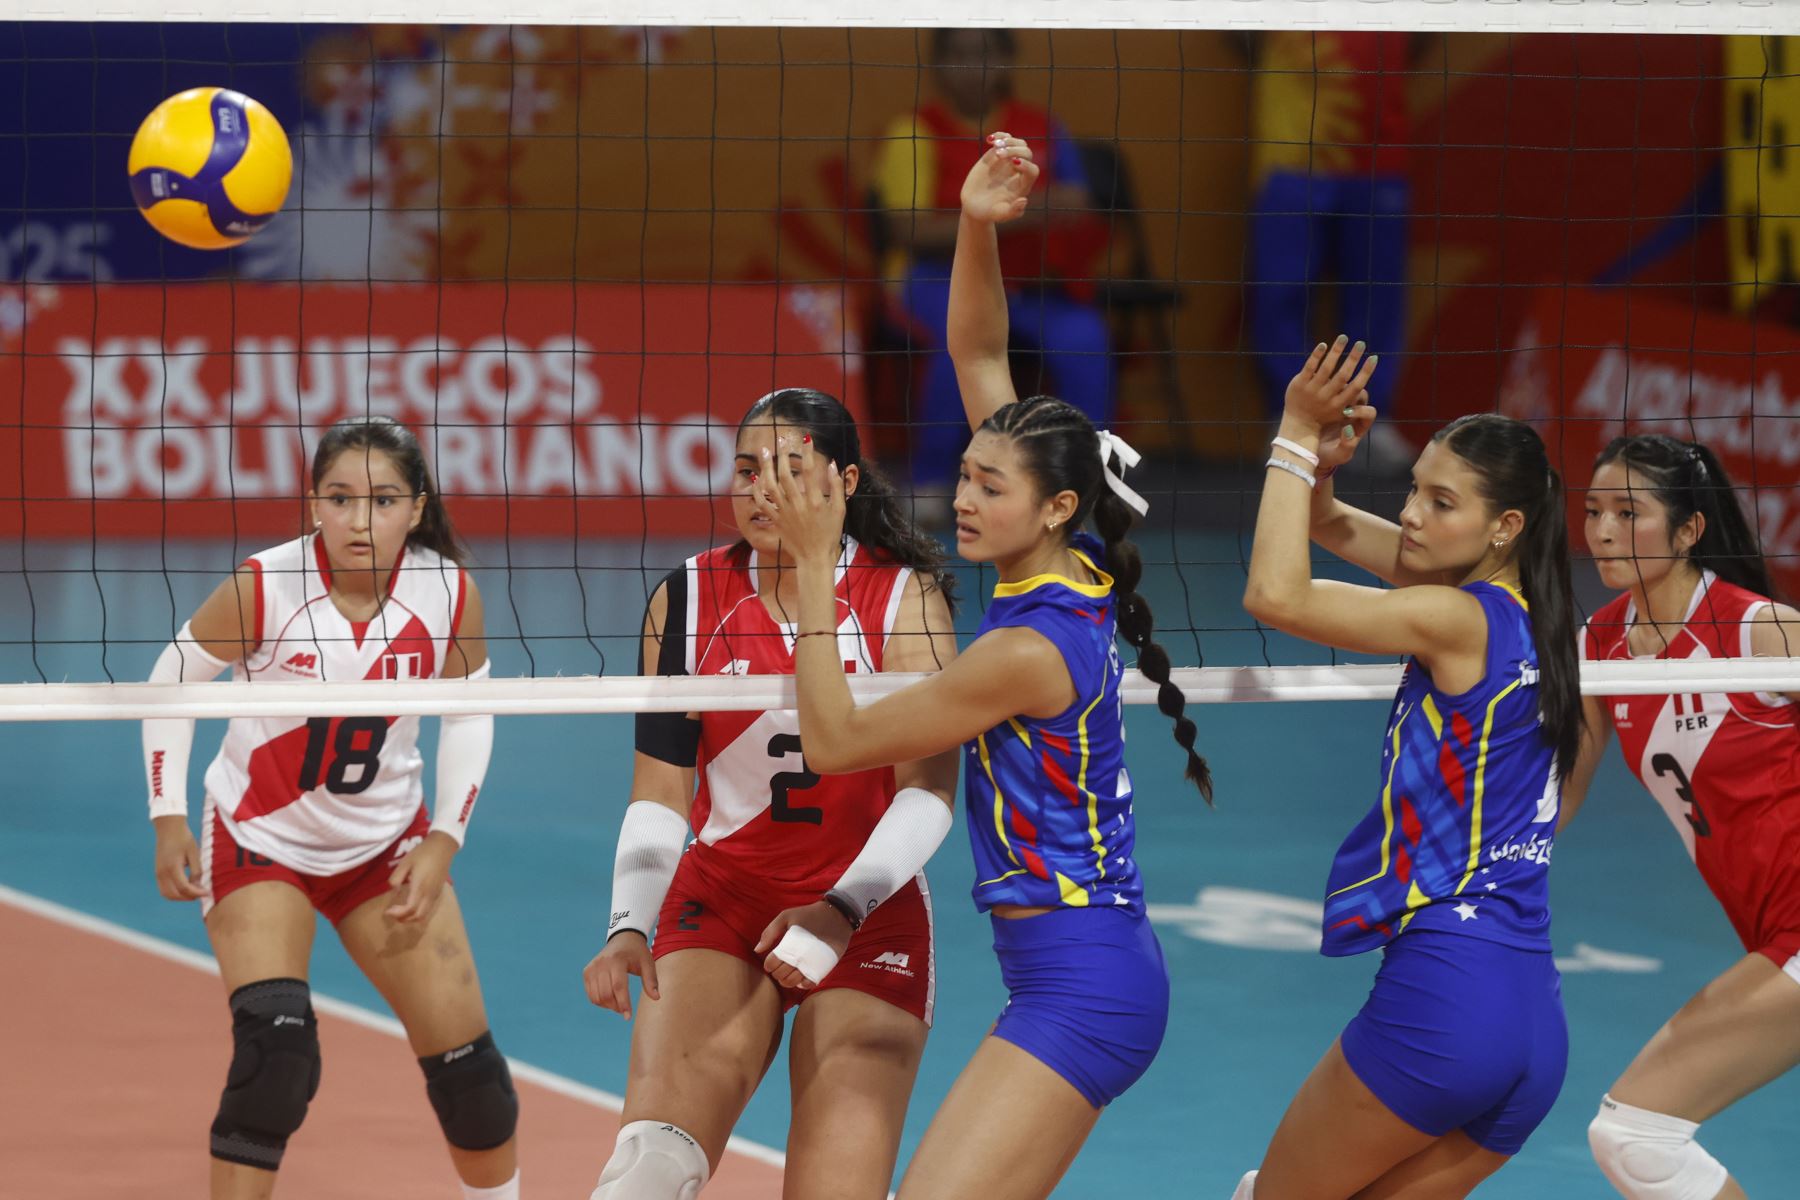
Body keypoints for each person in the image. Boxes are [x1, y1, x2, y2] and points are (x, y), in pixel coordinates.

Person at [748, 137, 1207, 1200]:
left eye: (987, 487)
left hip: (1085, 985)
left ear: (1051, 506)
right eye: (961, 474)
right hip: (1075, 966)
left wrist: (819, 569)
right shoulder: (1072, 560)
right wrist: (977, 225)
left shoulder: (1023, 652)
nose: (962, 499)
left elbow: (835, 744)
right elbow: (977, 351)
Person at [578, 387, 961, 1200]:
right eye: (747, 470)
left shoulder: (903, 599)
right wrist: (628, 923)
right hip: (724, 897)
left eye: (789, 470)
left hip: (867, 910)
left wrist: (839, 910)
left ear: (844, 483)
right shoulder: (686, 600)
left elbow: (929, 794)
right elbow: (660, 790)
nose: (761, 490)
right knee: (643, 1175)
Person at [141, 416, 517, 1200]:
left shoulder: (448, 592)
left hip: (385, 850)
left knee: (476, 1088)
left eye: (382, 500)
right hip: (258, 843)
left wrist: (446, 837)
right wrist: (166, 814)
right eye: (340, 499)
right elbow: (167, 684)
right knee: (277, 1058)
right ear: (314, 502)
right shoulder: (265, 586)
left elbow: (473, 714)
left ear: (416, 508)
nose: (358, 519)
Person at [1238, 348, 1582, 1199]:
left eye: (1441, 501)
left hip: (1446, 1002)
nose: (1414, 514)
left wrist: (1289, 433)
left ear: (1504, 526)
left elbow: (1275, 596)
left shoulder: (1451, 616)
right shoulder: (1540, 615)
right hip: (1532, 1018)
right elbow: (1330, 529)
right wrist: (1320, 477)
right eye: (1416, 488)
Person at [1561, 434, 1800, 1200]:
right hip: (1770, 932)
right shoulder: (1597, 647)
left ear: (1690, 529)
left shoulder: (1761, 629)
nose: (1601, 530)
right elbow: (1555, 801)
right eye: (1594, 510)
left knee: (1636, 1133)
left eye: (1629, 512)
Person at [872, 26, 1111, 500]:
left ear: (1006, 61)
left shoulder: (1041, 125)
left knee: (1087, 340)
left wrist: (1047, 210)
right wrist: (1011, 217)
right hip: (935, 279)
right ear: (937, 65)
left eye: (984, 54)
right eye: (957, 55)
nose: (972, 67)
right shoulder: (913, 131)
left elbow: (1079, 202)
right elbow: (911, 231)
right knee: (955, 340)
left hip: (1031, 284)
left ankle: (1092, 483)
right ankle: (930, 480)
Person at [1241, 30, 1426, 471]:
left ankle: (1367, 421)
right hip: (1291, 156)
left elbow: (1424, 35)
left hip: (1377, 157)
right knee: (1279, 294)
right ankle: (1292, 418)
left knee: (1375, 297)